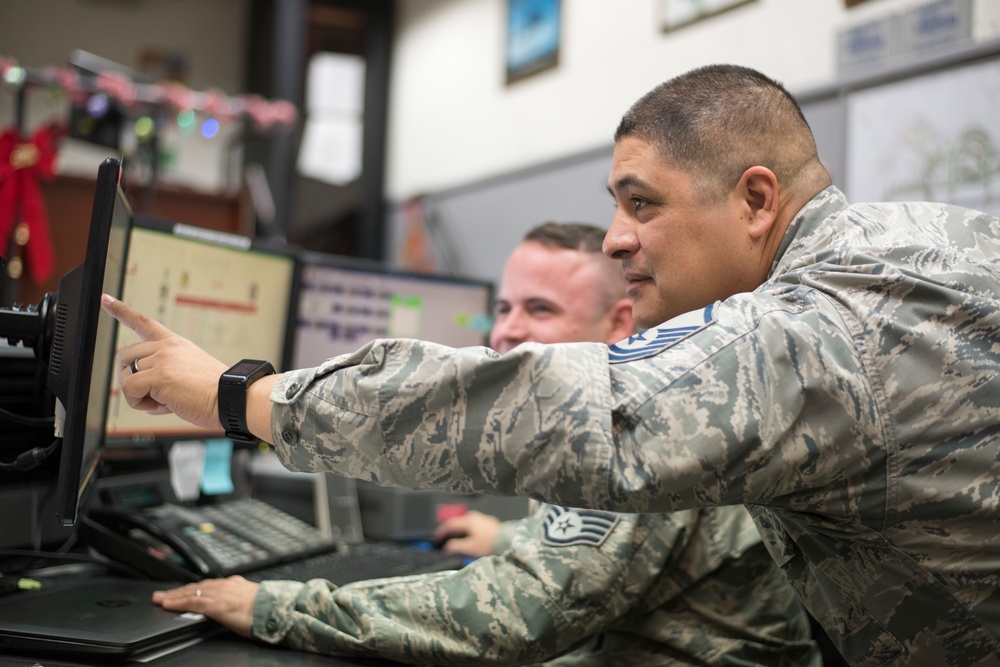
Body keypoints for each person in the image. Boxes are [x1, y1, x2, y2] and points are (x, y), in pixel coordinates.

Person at [103, 64, 1000, 666]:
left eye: (641, 204)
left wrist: (243, 395)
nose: (618, 238)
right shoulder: (925, 243)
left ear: (756, 199)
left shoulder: (815, 330)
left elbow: (574, 413)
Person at [140, 222, 820, 665]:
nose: (506, 332)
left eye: (540, 310)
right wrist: (509, 540)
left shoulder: (641, 424)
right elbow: (605, 568)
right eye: (503, 307)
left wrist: (272, 605)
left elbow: (508, 619)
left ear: (619, 321)